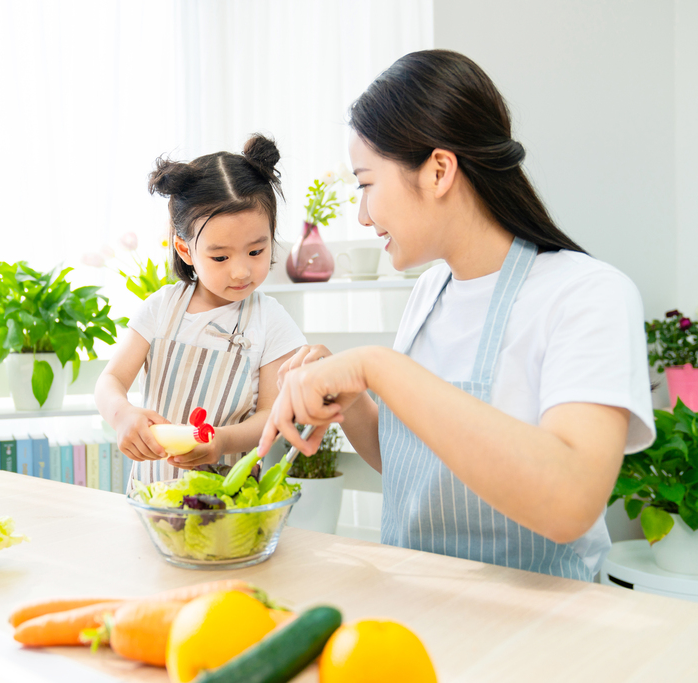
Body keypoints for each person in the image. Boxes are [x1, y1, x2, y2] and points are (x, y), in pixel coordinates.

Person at [258, 50, 654, 581]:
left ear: (440, 170)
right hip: (417, 614)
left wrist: (378, 368)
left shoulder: (587, 295)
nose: (362, 214)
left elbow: (571, 502)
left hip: (540, 639)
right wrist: (349, 404)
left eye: (366, 184)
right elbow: (415, 473)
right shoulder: (430, 291)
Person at [96, 134, 306, 490]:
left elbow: (272, 415)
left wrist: (222, 441)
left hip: (229, 508)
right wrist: (122, 415)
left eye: (256, 251)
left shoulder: (271, 321)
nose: (241, 271)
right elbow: (110, 381)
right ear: (185, 249)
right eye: (221, 257)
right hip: (151, 497)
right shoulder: (162, 309)